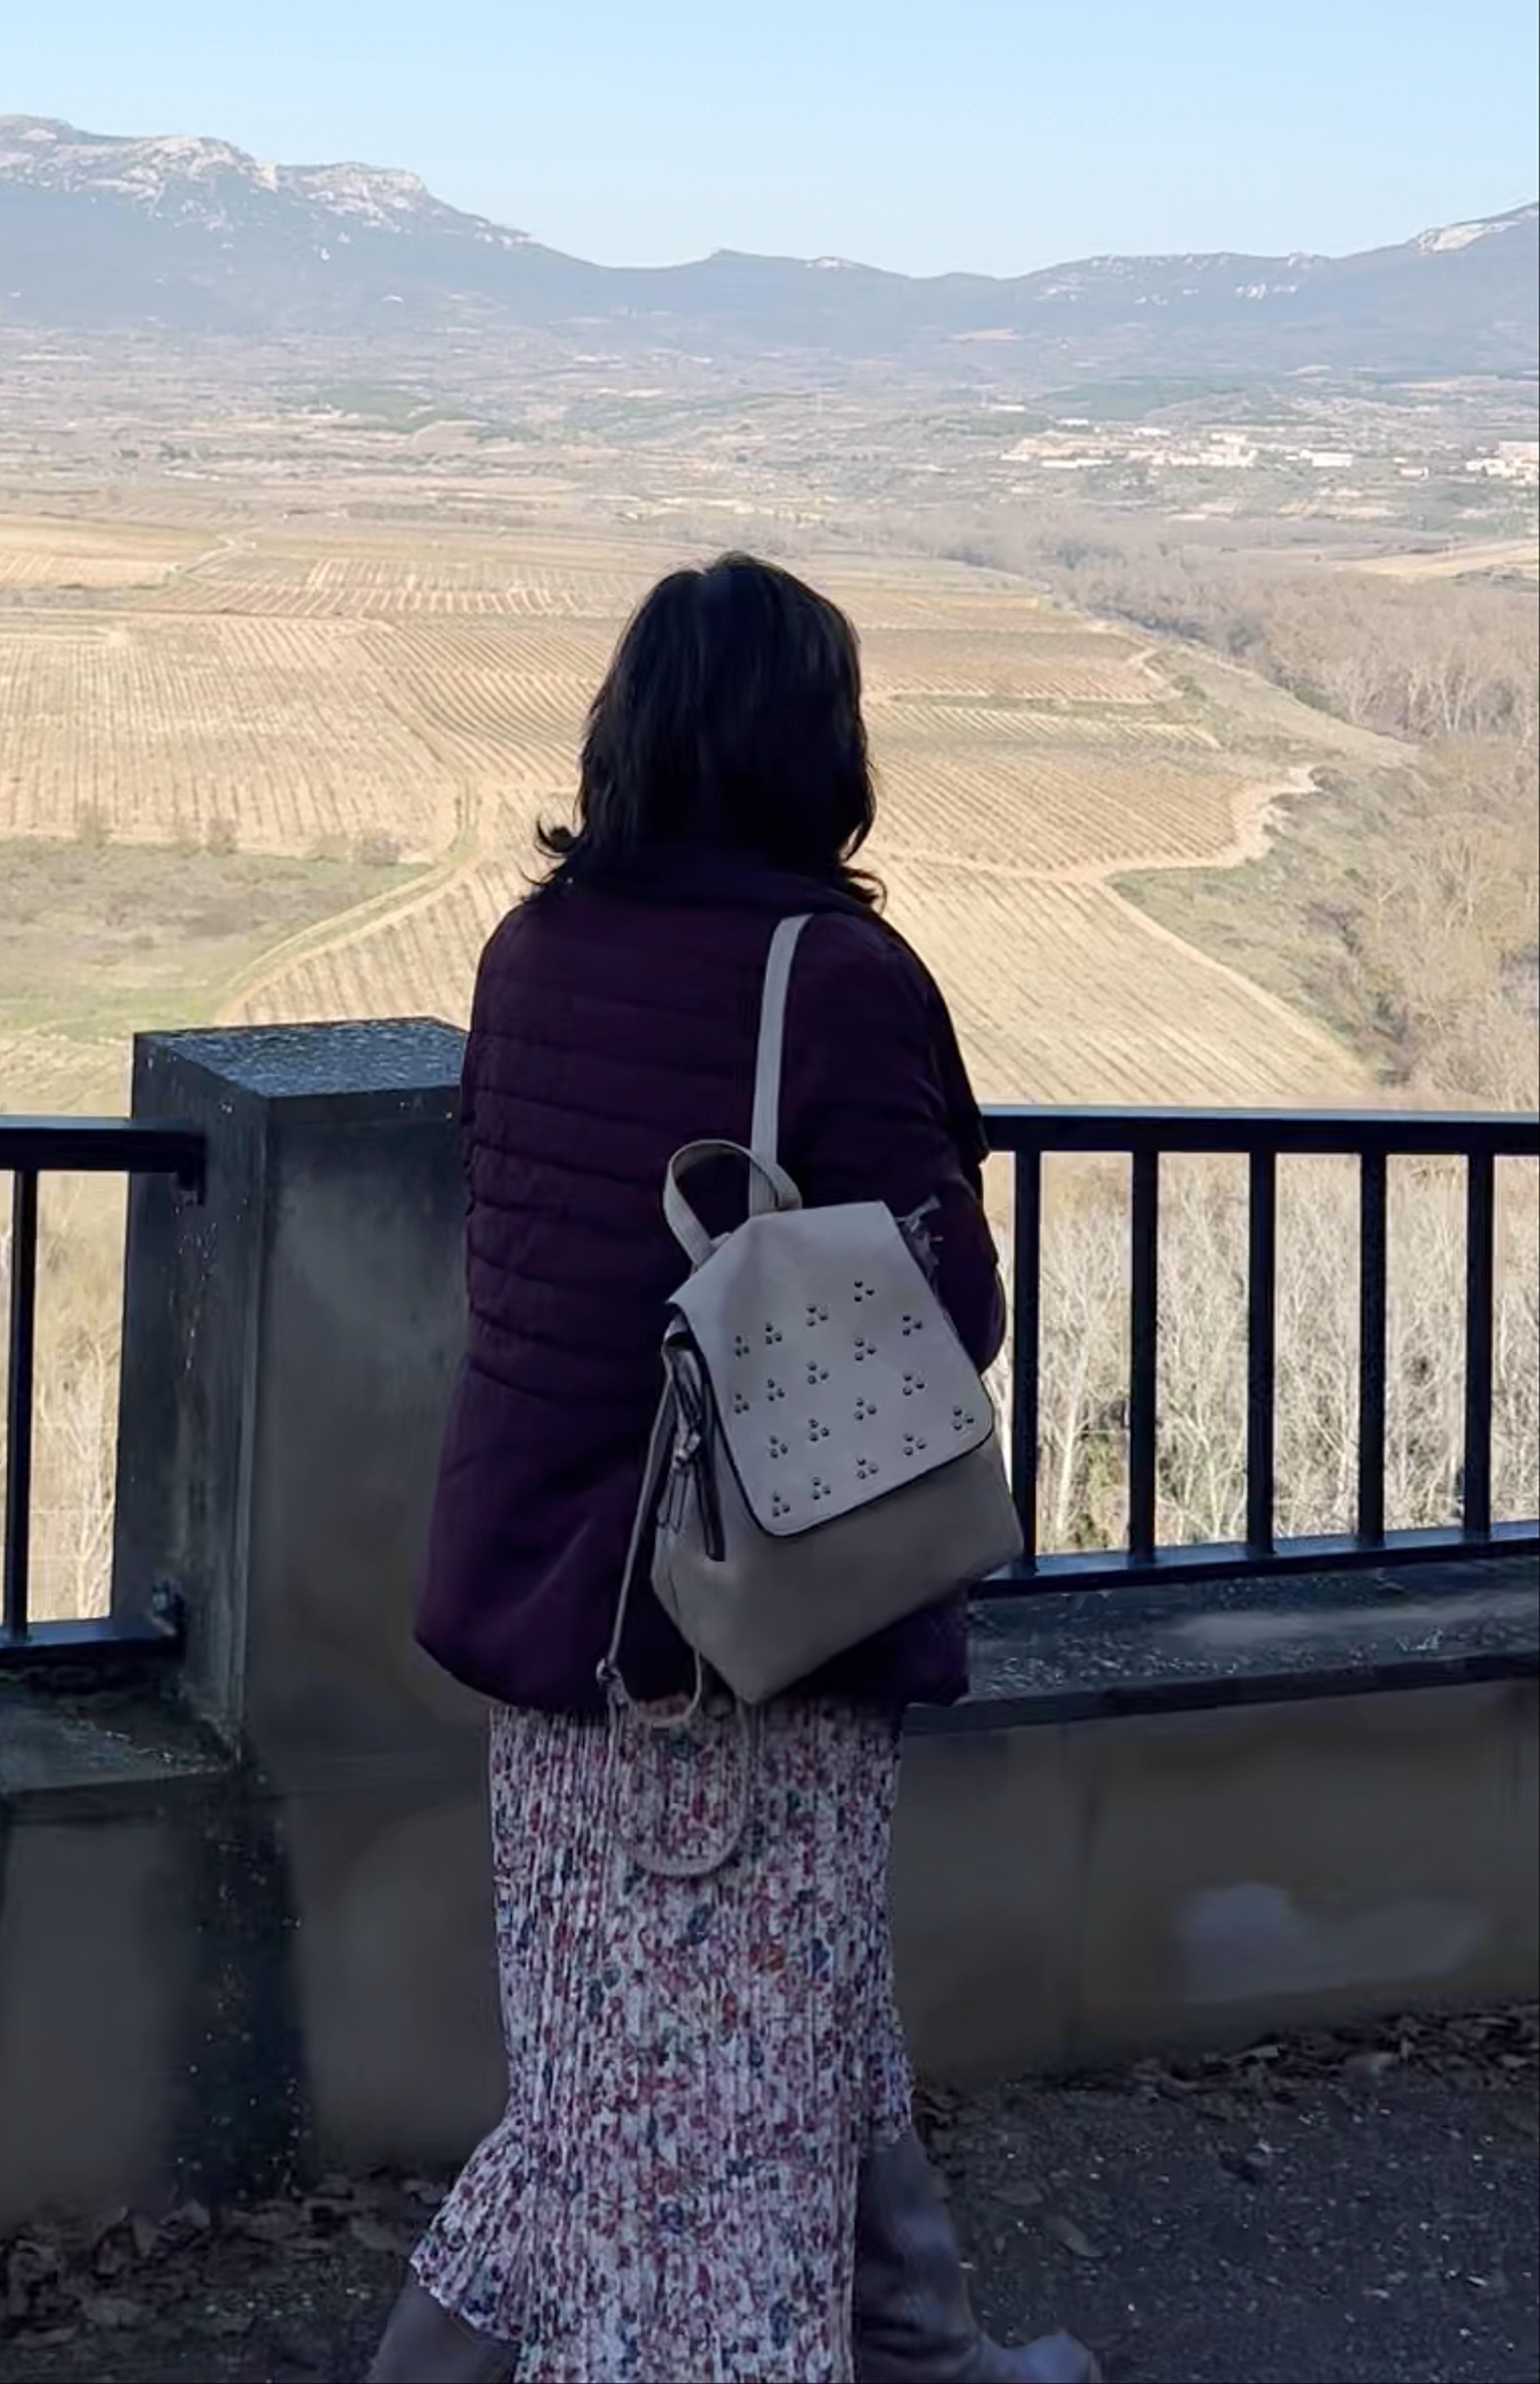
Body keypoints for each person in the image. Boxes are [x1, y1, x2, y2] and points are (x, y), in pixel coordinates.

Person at [366, 555, 1099, 2384]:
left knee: (633, 2068)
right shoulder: (832, 979)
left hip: (553, 1616)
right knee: (721, 2156)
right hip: (745, 1642)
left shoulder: (523, 954)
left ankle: (923, 2352)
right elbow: (946, 1319)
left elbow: (529, 1244)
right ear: (813, 748)